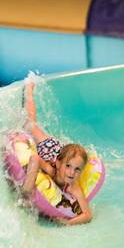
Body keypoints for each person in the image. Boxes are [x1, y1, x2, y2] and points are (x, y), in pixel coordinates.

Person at [21, 81, 92, 225]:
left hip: (61, 154)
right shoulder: (52, 170)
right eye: (68, 167)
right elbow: (35, 158)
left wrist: (69, 223)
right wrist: (27, 190)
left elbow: (88, 215)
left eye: (77, 169)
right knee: (30, 124)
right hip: (48, 147)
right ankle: (29, 89)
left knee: (68, 155)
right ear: (59, 165)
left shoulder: (74, 187)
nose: (72, 173)